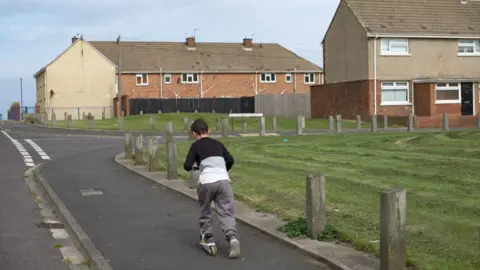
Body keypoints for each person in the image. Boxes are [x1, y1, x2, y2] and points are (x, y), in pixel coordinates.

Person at [183, 118, 240, 259]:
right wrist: (223, 170)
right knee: (226, 211)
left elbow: (187, 166)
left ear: (194, 133)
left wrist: (197, 166)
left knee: (205, 209)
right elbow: (231, 160)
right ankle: (232, 237)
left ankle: (208, 238)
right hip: (224, 180)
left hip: (207, 181)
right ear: (208, 131)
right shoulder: (218, 144)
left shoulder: (195, 146)